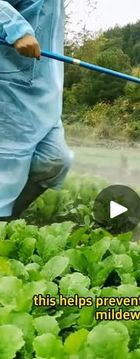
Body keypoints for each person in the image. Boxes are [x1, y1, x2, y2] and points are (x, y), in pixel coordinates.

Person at [0, 1, 73, 221]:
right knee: (6, 170)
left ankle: (8, 219)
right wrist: (16, 29)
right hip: (12, 90)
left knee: (56, 159)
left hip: (45, 93)